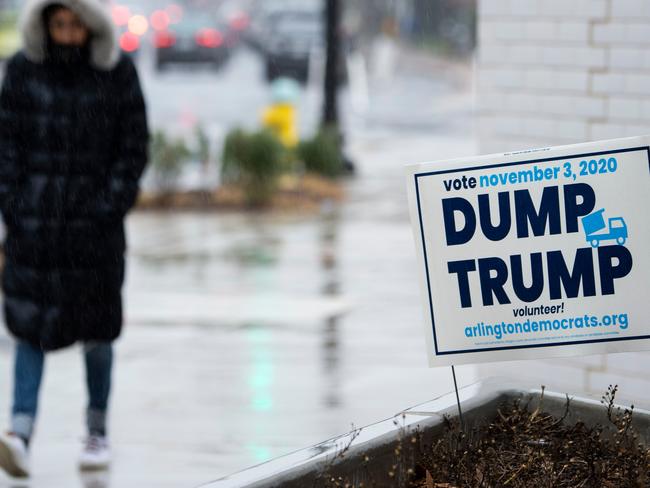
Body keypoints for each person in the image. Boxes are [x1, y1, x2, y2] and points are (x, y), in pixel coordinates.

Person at [0, 0, 148, 477]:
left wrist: (108, 206)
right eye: (58, 24)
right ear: (45, 24)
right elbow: (6, 145)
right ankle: (18, 432)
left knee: (98, 333)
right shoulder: (23, 72)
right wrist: (17, 207)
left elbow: (133, 145)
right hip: (34, 229)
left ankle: (97, 430)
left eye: (75, 25)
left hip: (94, 231)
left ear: (90, 26)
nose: (66, 34)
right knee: (27, 328)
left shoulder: (116, 73)